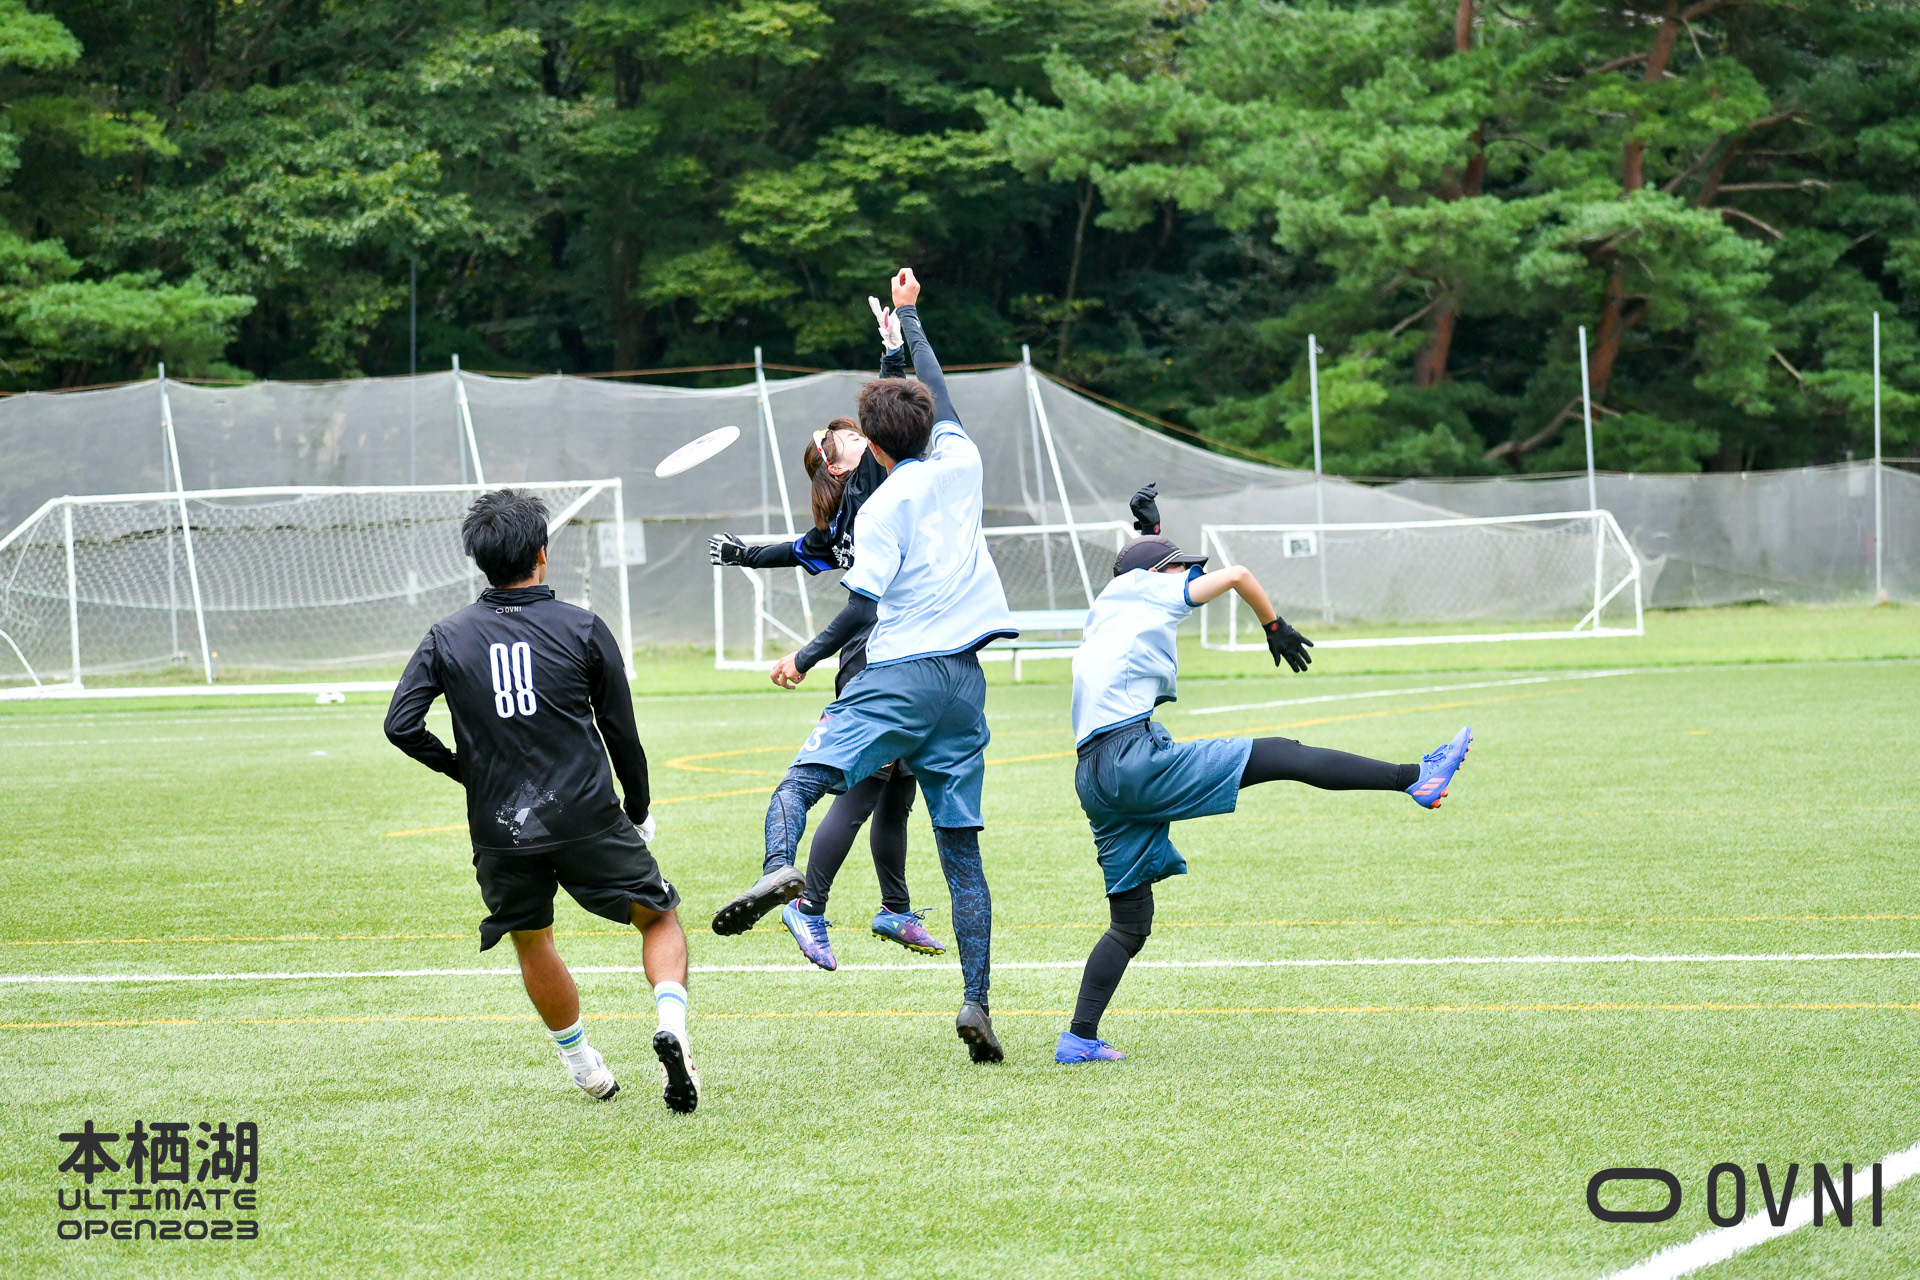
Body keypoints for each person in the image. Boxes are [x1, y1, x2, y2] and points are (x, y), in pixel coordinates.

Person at [710, 267, 1016, 1063]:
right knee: (963, 859)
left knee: (801, 783)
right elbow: (936, 387)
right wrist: (909, 320)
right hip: (965, 687)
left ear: (873, 448)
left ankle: (782, 876)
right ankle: (977, 1003)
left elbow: (862, 610)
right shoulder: (964, 461)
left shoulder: (879, 509)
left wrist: (805, 657)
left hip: (899, 676)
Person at [1054, 483, 1473, 1065]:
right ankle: (1414, 777)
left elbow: (1142, 569)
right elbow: (1238, 575)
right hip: (1133, 759)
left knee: (1130, 923)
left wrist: (1151, 534)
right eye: (1180, 568)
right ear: (1158, 575)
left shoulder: (1110, 604)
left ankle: (1078, 1037)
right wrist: (1273, 624)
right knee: (1281, 753)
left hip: (1094, 775)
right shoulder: (1149, 589)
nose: (1189, 575)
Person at [383, 489, 700, 1113]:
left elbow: (401, 726)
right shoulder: (582, 626)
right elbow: (621, 733)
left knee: (532, 939)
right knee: (658, 917)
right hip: (587, 816)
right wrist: (637, 809)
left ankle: (584, 1067)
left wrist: (467, 772)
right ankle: (672, 1027)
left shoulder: (446, 636)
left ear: (480, 560)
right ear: (542, 553)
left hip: (502, 826)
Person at [707, 309, 945, 970]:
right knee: (863, 792)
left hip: (892, 654)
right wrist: (891, 351)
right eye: (849, 439)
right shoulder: (868, 486)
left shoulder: (836, 521)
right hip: (877, 660)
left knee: (897, 794)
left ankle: (894, 908)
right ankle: (807, 906)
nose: (863, 438)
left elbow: (793, 549)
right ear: (840, 469)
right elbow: (889, 416)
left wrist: (741, 554)